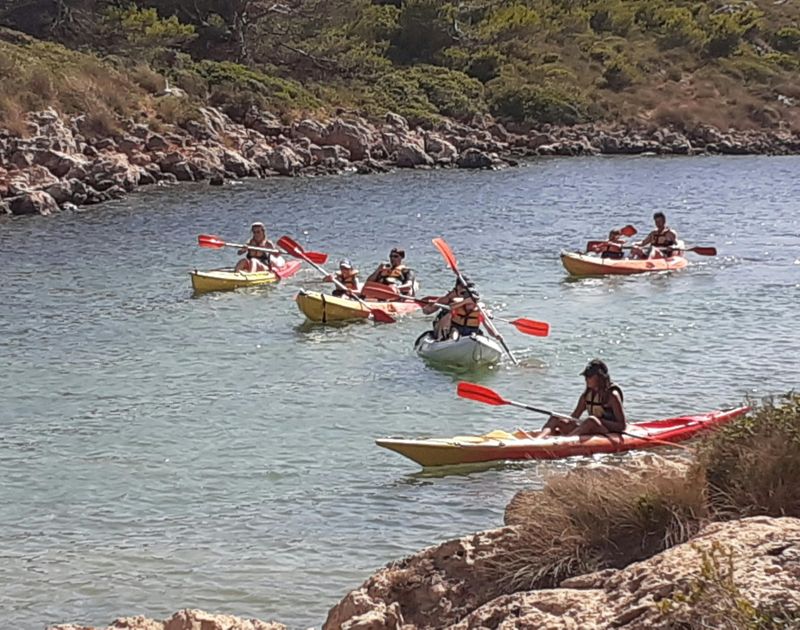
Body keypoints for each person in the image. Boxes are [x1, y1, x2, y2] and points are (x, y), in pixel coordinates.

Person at [534, 359, 626, 438]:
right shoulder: (586, 396)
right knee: (556, 417)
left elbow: (621, 426)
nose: (586, 379)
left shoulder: (612, 396)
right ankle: (538, 440)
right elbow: (574, 418)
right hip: (590, 429)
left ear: (599, 377)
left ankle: (566, 441)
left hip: (606, 432)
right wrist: (562, 421)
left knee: (591, 420)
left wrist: (599, 421)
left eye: (589, 376)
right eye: (586, 376)